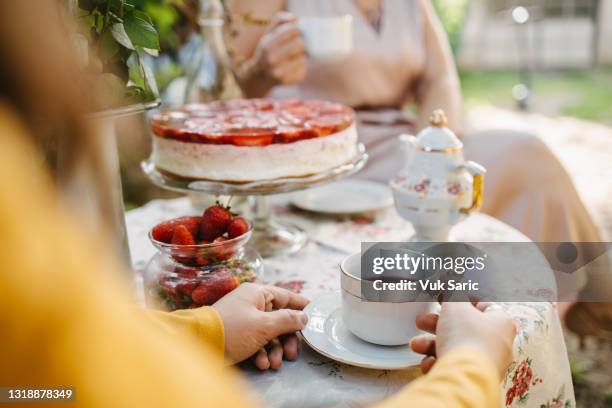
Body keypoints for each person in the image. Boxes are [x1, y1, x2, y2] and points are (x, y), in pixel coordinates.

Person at [0, 1, 519, 406]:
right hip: (299, 137)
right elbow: (63, 379)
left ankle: (588, 301)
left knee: (527, 158)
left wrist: (212, 330)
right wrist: (473, 360)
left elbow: (69, 371)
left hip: (390, 140)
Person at [224, 0, 612, 336]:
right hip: (321, 158)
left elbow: (440, 76)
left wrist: (433, 152)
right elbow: (230, 90)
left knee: (528, 155)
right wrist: (263, 71)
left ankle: (537, 316)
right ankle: (593, 303)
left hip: (408, 143)